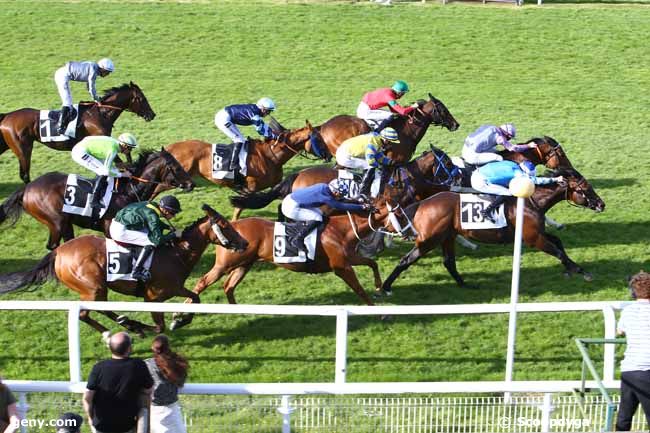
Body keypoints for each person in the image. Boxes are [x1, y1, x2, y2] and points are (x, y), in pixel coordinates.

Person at [83, 332, 153, 433]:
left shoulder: (99, 367)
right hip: (126, 425)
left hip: (101, 425)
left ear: (110, 348)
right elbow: (148, 390)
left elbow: (87, 398)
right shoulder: (138, 365)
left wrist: (90, 418)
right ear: (129, 348)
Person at [281, 179, 372, 250]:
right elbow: (340, 206)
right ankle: (298, 239)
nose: (340, 196)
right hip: (290, 208)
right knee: (318, 218)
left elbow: (338, 200)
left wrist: (357, 201)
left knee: (321, 214)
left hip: (291, 200)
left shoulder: (325, 187)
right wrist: (362, 207)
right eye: (340, 194)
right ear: (335, 192)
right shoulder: (326, 197)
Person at [109, 196, 182, 282]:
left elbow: (153, 220)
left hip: (119, 223)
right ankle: (136, 271)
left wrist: (168, 227)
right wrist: (174, 234)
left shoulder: (151, 204)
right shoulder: (153, 215)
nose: (173, 216)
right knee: (151, 242)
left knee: (150, 233)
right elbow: (157, 240)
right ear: (165, 211)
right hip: (120, 232)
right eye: (173, 213)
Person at [470, 160, 565, 223]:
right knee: (508, 193)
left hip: (477, 173)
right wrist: (555, 179)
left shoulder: (512, 164)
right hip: (479, 182)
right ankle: (486, 211)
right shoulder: (519, 174)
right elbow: (536, 180)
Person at [615, 271, 650, 431]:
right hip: (647, 370)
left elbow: (620, 331)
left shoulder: (627, 311)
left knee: (624, 417)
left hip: (629, 370)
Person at [70, 133, 138, 210]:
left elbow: (115, 166)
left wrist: (122, 169)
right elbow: (106, 171)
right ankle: (94, 201)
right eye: (131, 148)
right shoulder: (113, 150)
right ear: (125, 146)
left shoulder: (115, 145)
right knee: (103, 171)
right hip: (80, 153)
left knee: (110, 169)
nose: (131, 151)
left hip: (87, 147)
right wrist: (123, 175)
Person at [213, 98, 278, 172]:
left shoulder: (255, 110)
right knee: (239, 139)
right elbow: (260, 130)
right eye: (268, 111)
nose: (269, 113)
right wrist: (274, 136)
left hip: (226, 116)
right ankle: (233, 164)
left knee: (241, 139)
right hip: (223, 119)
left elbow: (262, 124)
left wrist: (272, 133)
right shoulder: (254, 115)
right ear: (263, 108)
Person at [54, 58, 114, 135]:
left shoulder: (93, 66)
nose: (107, 74)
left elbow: (89, 86)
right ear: (102, 68)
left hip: (63, 73)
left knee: (69, 102)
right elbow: (91, 87)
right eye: (107, 72)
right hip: (62, 75)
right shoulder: (93, 71)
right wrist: (97, 99)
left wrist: (95, 98)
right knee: (67, 102)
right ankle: (61, 127)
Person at [335, 127, 400, 199]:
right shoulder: (373, 142)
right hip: (344, 156)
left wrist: (390, 162)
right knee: (371, 166)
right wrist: (379, 167)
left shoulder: (377, 139)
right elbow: (370, 160)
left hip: (346, 151)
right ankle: (362, 192)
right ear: (385, 140)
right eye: (390, 142)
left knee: (374, 168)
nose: (390, 144)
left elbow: (379, 157)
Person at [145, 335, 189, 433]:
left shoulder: (146, 364)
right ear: (168, 347)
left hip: (153, 412)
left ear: (153, 348)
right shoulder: (178, 362)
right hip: (172, 411)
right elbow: (181, 382)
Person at [462, 123, 537, 166]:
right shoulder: (499, 137)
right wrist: (528, 146)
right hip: (471, 156)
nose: (508, 140)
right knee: (498, 157)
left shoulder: (490, 126)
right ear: (507, 135)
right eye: (509, 138)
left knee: (496, 151)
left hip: (466, 148)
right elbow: (513, 148)